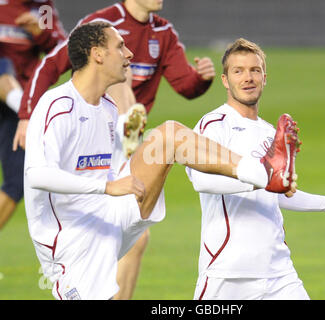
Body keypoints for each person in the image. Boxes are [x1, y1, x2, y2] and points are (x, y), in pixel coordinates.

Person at [23, 22, 307, 300]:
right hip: (71, 244)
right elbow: (37, 176)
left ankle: (264, 172)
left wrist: (132, 152)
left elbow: (105, 168)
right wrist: (107, 187)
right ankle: (264, 173)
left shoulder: (107, 108)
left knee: (169, 135)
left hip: (107, 215)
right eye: (120, 47)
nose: (130, 54)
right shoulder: (57, 106)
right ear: (98, 54)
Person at [13, 0, 215, 299]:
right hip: (97, 134)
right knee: (119, 86)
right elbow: (53, 63)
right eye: (121, 48)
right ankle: (129, 118)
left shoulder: (164, 32)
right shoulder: (101, 26)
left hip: (115, 140)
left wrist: (201, 79)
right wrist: (27, 113)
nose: (128, 53)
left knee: (138, 237)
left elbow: (184, 86)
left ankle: (129, 124)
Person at [185, 38, 325, 300]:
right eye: (238, 71)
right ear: (225, 80)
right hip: (227, 272)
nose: (248, 77)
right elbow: (201, 181)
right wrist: (263, 178)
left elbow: (278, 191)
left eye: (255, 70)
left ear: (265, 78)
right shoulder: (214, 125)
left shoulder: (269, 133)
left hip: (278, 272)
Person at [0, 0, 66, 229]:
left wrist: (41, 33)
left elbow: (63, 52)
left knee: (17, 182)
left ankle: (22, 104)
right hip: (19, 104)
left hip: (16, 110)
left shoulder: (43, 9)